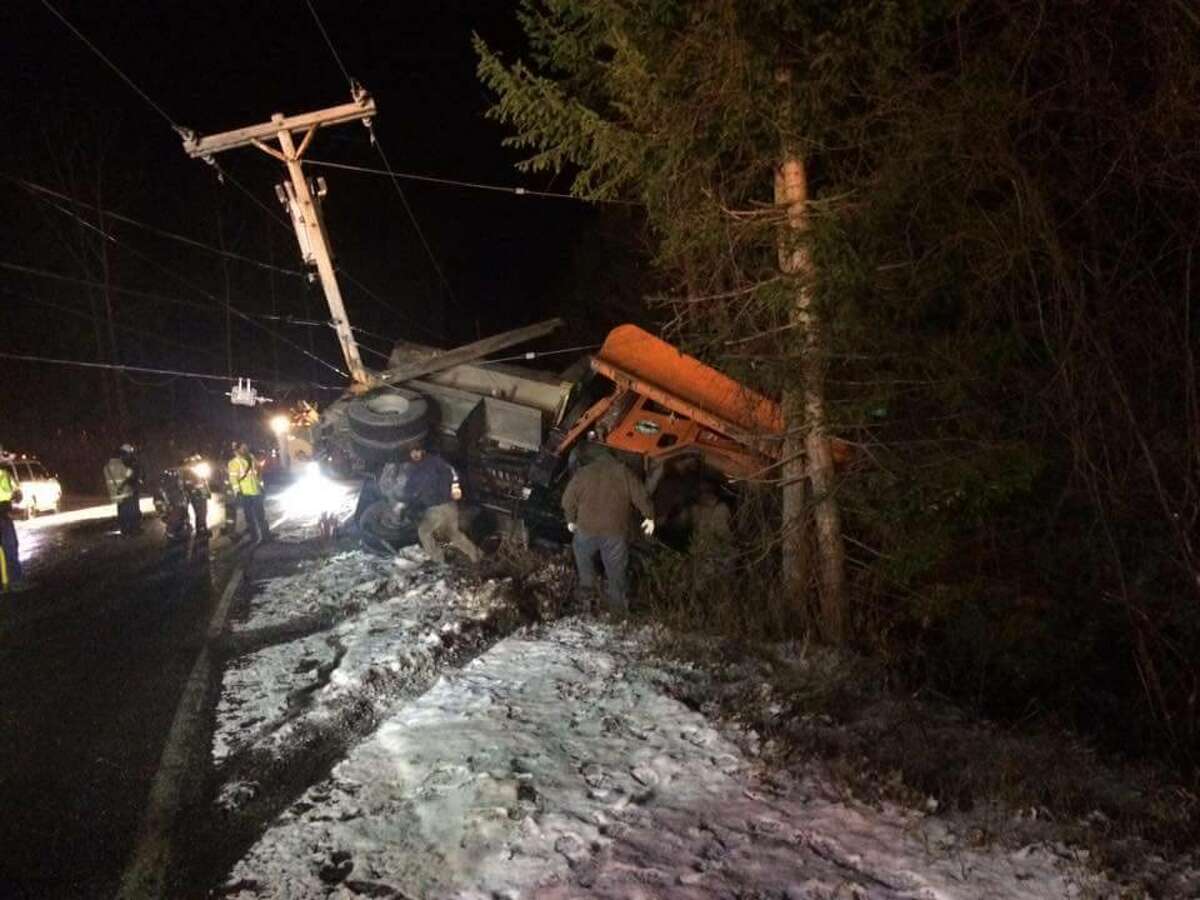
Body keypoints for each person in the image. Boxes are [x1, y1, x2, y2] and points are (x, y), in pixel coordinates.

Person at [561, 449, 655, 615]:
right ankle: (617, 612)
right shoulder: (623, 472)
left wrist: (570, 520)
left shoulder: (584, 473)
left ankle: (587, 599)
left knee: (584, 559)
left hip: (586, 530)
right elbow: (641, 496)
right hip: (615, 533)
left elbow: (567, 499)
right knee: (616, 571)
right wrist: (649, 516)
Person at [401, 443, 481, 564]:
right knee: (453, 534)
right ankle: (476, 555)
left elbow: (412, 489)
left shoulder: (420, 468)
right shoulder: (438, 462)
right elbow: (452, 475)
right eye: (412, 452)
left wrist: (406, 500)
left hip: (437, 506)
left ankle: (439, 560)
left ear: (423, 451)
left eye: (417, 451)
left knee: (424, 531)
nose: (415, 454)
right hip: (450, 504)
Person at [228, 442, 270, 543]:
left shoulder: (251, 458)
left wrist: (261, 487)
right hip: (245, 493)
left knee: (261, 516)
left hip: (256, 491)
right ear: (238, 450)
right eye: (243, 448)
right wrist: (237, 491)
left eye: (246, 447)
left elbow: (258, 473)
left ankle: (266, 536)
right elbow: (233, 479)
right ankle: (254, 537)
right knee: (250, 517)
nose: (246, 449)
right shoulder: (234, 463)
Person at [0, 454, 27, 592]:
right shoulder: (4, 474)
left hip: (4, 515)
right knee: (10, 547)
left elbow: (17, 493)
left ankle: (12, 582)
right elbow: (15, 494)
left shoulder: (5, 474)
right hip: (3, 516)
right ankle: (16, 581)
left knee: (10, 548)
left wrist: (17, 495)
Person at [104, 444, 142, 536]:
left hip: (115, 494)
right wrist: (133, 467)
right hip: (125, 492)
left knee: (122, 513)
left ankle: (125, 529)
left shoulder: (106, 467)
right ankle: (132, 530)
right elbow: (129, 475)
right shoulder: (120, 465)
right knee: (130, 512)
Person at [180, 454, 211, 536]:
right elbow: (187, 484)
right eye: (194, 460)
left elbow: (204, 481)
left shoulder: (199, 468)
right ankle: (200, 530)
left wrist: (207, 492)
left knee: (203, 511)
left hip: (201, 493)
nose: (195, 462)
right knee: (200, 512)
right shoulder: (187, 471)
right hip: (194, 494)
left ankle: (202, 528)